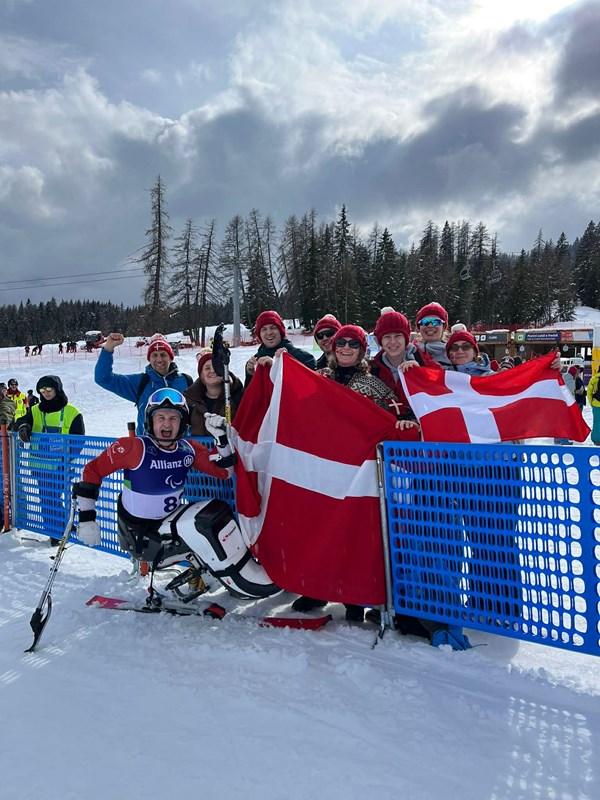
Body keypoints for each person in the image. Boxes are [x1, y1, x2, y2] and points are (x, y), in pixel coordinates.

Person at [73, 390, 277, 600]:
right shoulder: (133, 448)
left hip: (169, 526)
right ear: (150, 421)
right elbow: (92, 470)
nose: (167, 425)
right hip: (142, 534)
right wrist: (87, 519)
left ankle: (238, 573)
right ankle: (244, 586)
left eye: (173, 418)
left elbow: (224, 472)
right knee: (205, 523)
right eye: (160, 417)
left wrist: (221, 439)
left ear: (183, 422)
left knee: (218, 511)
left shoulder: (188, 449)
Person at [290, 324, 420, 621]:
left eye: (352, 344)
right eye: (340, 344)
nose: (345, 348)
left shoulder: (373, 385)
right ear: (332, 349)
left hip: (356, 472)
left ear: (362, 350)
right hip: (320, 469)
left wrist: (404, 426)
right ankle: (317, 588)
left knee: (353, 533)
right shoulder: (317, 378)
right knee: (318, 531)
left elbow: (402, 414)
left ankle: (353, 596)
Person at [16, 375, 85, 546]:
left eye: (49, 389)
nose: (46, 393)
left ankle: (56, 531)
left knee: (51, 497)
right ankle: (61, 528)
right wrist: (24, 426)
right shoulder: (35, 410)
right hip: (39, 466)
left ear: (57, 389)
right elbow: (19, 422)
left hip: (62, 466)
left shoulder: (72, 412)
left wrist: (67, 459)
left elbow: (79, 439)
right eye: (42, 390)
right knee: (48, 497)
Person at [94, 334, 193, 434]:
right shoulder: (140, 382)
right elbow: (103, 379)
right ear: (149, 360)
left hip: (181, 445)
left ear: (171, 358)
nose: (159, 359)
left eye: (163, 355)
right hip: (147, 445)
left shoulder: (186, 381)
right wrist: (108, 348)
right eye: (154, 355)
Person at [369, 307, 441, 418]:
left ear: (406, 338)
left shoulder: (429, 366)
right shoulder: (372, 370)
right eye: (387, 337)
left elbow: (440, 402)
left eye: (398, 335)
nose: (393, 342)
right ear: (380, 341)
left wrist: (422, 374)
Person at [245, 311, 315, 387]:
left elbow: (309, 389)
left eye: (273, 328)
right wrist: (251, 376)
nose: (269, 332)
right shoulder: (254, 362)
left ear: (281, 331)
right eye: (264, 329)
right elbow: (250, 396)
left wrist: (276, 368)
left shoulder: (303, 357)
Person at [184, 349, 244, 436]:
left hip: (232, 448)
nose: (212, 371)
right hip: (200, 448)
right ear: (201, 376)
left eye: (216, 366)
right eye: (207, 368)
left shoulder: (239, 396)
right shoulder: (191, 400)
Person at [413, 302, 453, 368]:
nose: (430, 326)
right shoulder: (409, 352)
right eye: (425, 322)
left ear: (443, 326)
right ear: (419, 327)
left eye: (436, 322)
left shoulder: (453, 354)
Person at [587, 366, 600, 446]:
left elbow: (589, 392)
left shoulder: (594, 379)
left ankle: (596, 440)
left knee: (597, 422)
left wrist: (591, 402)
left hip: (596, 404)